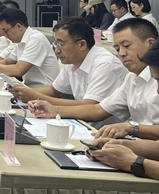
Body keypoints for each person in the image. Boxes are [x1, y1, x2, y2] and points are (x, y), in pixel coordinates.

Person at [29, 18, 159, 140]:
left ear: (151, 44)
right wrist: (54, 110)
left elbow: (90, 106)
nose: (121, 53)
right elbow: (98, 110)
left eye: (127, 45)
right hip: (137, 144)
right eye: (117, 49)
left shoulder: (106, 63)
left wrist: (131, 128)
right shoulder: (132, 78)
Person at [7, 17, 125, 108]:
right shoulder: (72, 61)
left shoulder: (104, 64)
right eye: (55, 44)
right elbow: (54, 90)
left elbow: (89, 106)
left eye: (61, 44)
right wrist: (21, 91)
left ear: (82, 44)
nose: (57, 50)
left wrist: (36, 96)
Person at [0, 8, 59, 87]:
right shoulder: (20, 40)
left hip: (44, 90)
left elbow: (18, 70)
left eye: (5, 31)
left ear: (19, 26)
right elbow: (7, 62)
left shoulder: (36, 39)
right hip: (29, 87)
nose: (5, 35)